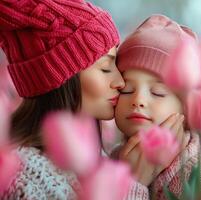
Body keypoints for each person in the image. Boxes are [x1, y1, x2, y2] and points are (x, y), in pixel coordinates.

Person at [0, 1, 183, 199]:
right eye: (105, 68)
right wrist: (132, 185)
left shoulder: (97, 158)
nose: (120, 82)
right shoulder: (22, 178)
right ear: (63, 78)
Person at [115, 14, 201, 199]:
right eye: (127, 89)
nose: (138, 99)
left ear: (186, 107)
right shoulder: (112, 160)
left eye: (157, 92)